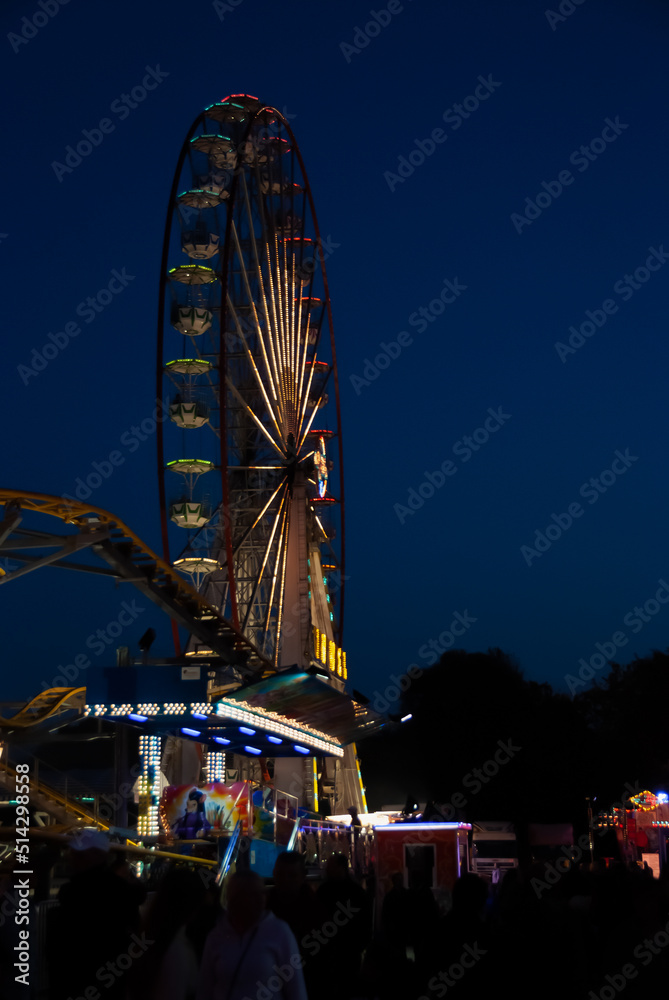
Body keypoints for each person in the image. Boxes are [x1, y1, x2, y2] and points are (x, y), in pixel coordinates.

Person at [46, 828, 142, 1000]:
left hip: (77, 980)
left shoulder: (74, 892)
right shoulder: (121, 890)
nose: (71, 856)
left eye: (80, 854)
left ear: (97, 855)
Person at [198, 869, 307, 1000]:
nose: (261, 899)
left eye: (262, 894)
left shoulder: (279, 931)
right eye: (252, 895)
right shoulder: (216, 936)